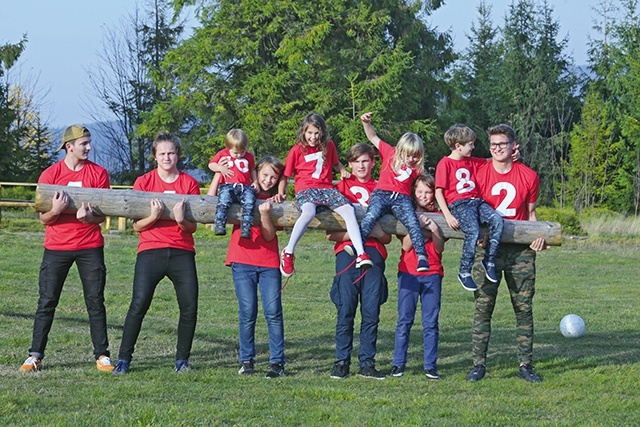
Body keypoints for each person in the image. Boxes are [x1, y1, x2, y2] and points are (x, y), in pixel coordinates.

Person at [19, 125, 114, 373]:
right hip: (56, 247)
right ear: (69, 147)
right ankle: (35, 356)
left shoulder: (99, 174)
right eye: (84, 143)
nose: (89, 147)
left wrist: (88, 218)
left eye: (89, 142)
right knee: (47, 301)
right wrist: (56, 211)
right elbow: (44, 219)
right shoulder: (50, 175)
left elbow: (102, 217)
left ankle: (102, 355)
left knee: (95, 301)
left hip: (90, 246)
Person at [113, 132, 200, 375]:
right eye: (161, 153)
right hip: (150, 250)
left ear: (178, 154)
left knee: (189, 305)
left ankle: (182, 360)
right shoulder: (144, 182)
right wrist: (153, 216)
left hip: (182, 251)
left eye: (171, 152)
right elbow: (136, 226)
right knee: (139, 303)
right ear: (155, 157)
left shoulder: (189, 183)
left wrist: (181, 220)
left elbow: (192, 227)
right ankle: (124, 359)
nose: (167, 157)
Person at [466, 124, 548, 383]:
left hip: (520, 251)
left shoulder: (529, 176)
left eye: (502, 144)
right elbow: (471, 211)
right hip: (486, 248)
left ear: (514, 146)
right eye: (493, 145)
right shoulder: (479, 174)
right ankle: (478, 364)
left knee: (523, 307)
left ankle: (525, 364)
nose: (497, 149)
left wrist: (539, 238)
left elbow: (532, 214)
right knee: (483, 306)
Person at [278, 113, 372, 278]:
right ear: (303, 132)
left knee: (349, 211)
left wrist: (343, 170)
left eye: (316, 133)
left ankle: (361, 253)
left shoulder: (328, 146)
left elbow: (335, 163)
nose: (313, 137)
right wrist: (281, 192)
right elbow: (285, 175)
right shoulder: (297, 150)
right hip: (306, 189)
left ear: (322, 132)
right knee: (308, 212)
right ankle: (288, 251)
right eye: (310, 133)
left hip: (327, 189)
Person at [326, 143, 392, 380]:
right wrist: (357, 234)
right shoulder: (340, 187)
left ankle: (367, 362)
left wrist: (374, 233)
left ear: (373, 162)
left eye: (366, 161)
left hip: (374, 254)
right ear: (349, 164)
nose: (361, 166)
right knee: (346, 309)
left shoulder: (382, 189)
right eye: (356, 162)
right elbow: (331, 233)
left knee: (371, 311)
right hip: (347, 252)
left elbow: (387, 237)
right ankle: (341, 361)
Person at [226, 156, 287, 379]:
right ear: (256, 173)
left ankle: (277, 362)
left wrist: (264, 216)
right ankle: (246, 360)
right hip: (242, 259)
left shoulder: (277, 202)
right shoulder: (241, 192)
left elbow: (270, 236)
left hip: (268, 262)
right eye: (265, 175)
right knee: (247, 311)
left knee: (273, 312)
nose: (269, 180)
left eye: (273, 177)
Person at [434, 124, 504, 292]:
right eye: (470, 144)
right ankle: (464, 270)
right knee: (472, 230)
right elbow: (438, 192)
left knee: (497, 220)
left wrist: (508, 156)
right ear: (458, 146)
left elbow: (490, 161)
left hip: (476, 202)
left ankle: (489, 260)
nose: (473, 147)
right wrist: (448, 215)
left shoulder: (471, 161)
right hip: (459, 204)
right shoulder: (445, 163)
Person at [359, 112, 430, 273]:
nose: (411, 159)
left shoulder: (417, 169)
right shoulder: (389, 152)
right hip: (381, 193)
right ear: (400, 150)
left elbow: (427, 185)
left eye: (415, 156)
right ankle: (359, 248)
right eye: (408, 155)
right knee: (370, 216)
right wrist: (366, 123)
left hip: (402, 198)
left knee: (412, 222)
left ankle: (421, 256)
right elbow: (373, 137)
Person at [391, 174, 445, 380]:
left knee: (430, 322)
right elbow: (405, 246)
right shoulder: (406, 213)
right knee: (404, 320)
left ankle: (430, 365)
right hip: (409, 273)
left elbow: (439, 249)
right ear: (414, 192)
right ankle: (398, 364)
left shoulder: (440, 215)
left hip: (432, 273)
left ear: (434, 194)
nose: (423, 195)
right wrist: (418, 227)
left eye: (428, 192)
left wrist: (434, 229)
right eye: (420, 191)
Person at [207, 129, 258, 239]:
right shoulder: (223, 154)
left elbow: (253, 169)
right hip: (228, 185)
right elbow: (211, 165)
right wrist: (220, 168)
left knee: (249, 203)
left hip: (244, 187)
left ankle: (246, 227)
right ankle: (220, 224)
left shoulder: (249, 156)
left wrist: (255, 181)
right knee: (223, 203)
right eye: (235, 153)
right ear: (228, 147)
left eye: (242, 152)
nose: (239, 155)